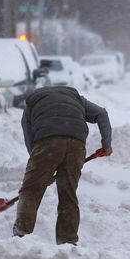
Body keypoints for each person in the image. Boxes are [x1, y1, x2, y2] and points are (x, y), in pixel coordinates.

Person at [14, 86, 112, 245]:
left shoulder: (32, 104)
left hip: (47, 142)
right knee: (68, 194)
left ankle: (21, 238)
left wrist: (43, 170)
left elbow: (29, 139)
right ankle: (68, 242)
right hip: (76, 144)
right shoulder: (76, 99)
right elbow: (102, 113)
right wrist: (106, 144)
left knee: (30, 192)